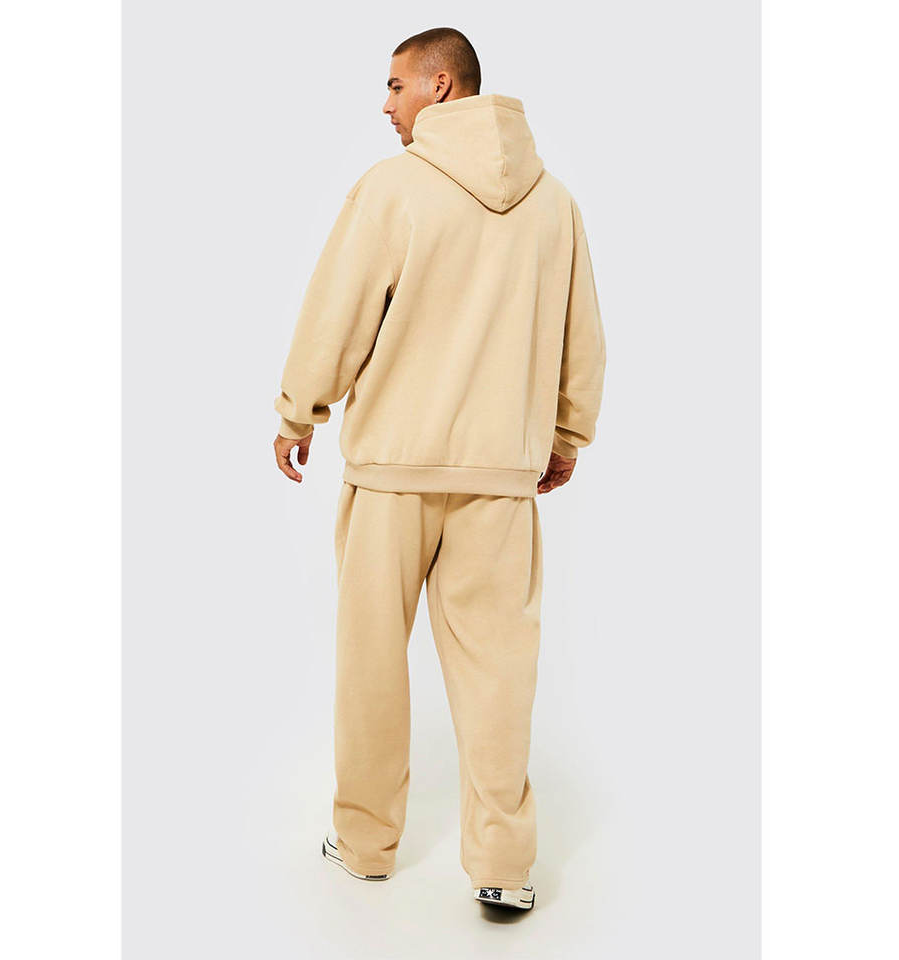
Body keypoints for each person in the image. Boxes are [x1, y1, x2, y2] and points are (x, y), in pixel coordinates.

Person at [273, 26, 606, 912]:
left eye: (396, 87)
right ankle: (504, 864)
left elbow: (339, 311)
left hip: (392, 473)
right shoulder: (556, 204)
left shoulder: (394, 189)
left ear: (442, 85)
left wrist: (300, 408)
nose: (386, 105)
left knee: (371, 664)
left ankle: (366, 844)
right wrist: (566, 437)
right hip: (500, 478)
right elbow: (581, 338)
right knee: (500, 673)